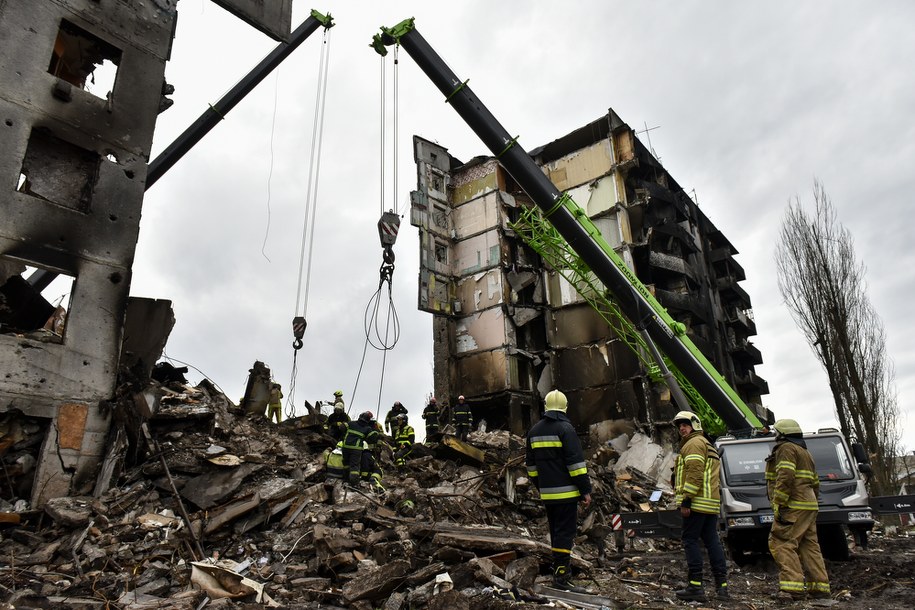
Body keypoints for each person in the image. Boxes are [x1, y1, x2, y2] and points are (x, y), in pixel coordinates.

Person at [525, 390, 592, 593]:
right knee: (565, 533)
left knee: (556, 533)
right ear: (564, 407)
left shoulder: (534, 431)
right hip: (567, 494)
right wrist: (585, 490)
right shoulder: (566, 429)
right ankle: (562, 577)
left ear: (546, 406)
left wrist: (542, 486)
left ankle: (559, 572)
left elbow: (531, 467)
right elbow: (576, 465)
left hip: (548, 494)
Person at [766, 419, 830, 601]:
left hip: (792, 505)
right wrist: (811, 502)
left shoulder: (786, 449)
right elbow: (815, 482)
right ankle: (820, 587)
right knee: (809, 545)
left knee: (781, 542)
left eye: (776, 433)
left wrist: (779, 502)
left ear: (781, 434)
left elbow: (785, 476)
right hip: (808, 505)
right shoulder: (805, 452)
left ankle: (792, 588)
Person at [672, 410, 728, 602]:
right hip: (710, 504)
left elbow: (694, 473)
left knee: (689, 540)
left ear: (695, 425)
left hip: (695, 502)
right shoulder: (707, 444)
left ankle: (695, 586)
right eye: (679, 426)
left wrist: (687, 500)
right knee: (712, 542)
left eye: (685, 424)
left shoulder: (694, 444)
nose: (681, 428)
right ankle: (722, 587)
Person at [341, 411, 384, 491]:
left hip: (345, 447)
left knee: (346, 464)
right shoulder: (367, 428)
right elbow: (372, 438)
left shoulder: (351, 423)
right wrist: (377, 434)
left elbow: (342, 427)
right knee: (354, 467)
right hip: (356, 449)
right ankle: (354, 484)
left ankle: (346, 480)